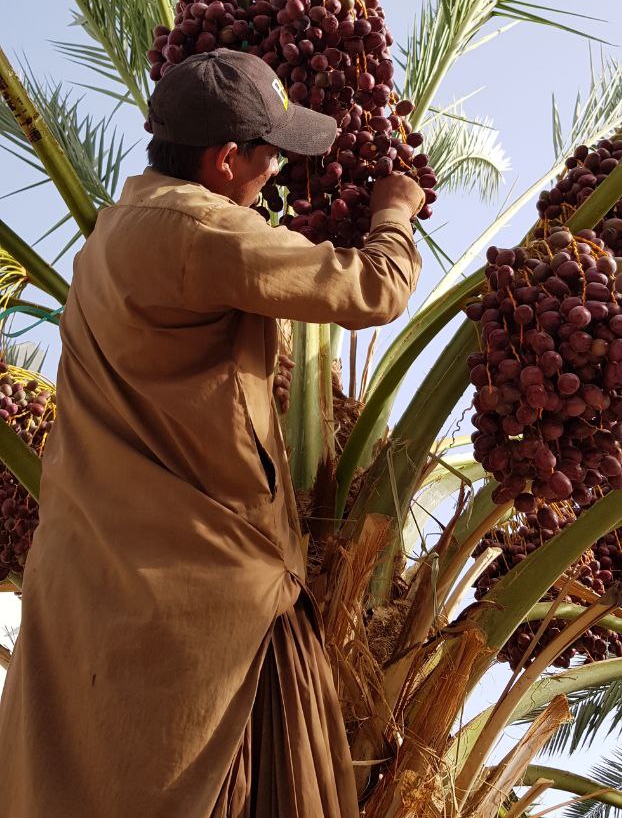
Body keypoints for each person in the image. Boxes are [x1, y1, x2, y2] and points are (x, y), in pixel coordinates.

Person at [0, 49, 424, 817]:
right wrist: (393, 210)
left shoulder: (108, 239)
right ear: (225, 160)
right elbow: (372, 287)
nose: (276, 180)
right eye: (269, 160)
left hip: (94, 592)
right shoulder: (200, 233)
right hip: (208, 602)